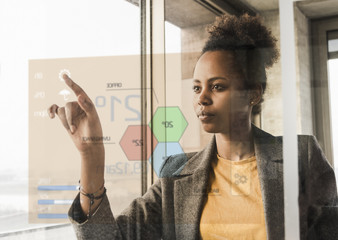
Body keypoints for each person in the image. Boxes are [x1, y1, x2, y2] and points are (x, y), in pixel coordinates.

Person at [48, 14, 338, 240]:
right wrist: (91, 156)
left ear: (253, 93)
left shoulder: (301, 155)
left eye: (218, 86)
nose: (202, 98)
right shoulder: (176, 173)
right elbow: (106, 237)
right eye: (197, 87)